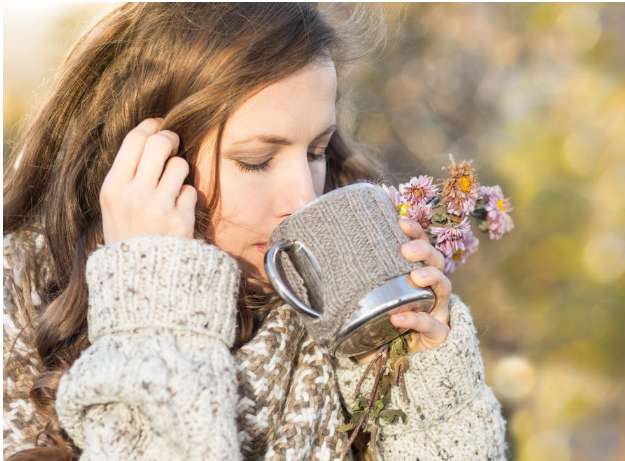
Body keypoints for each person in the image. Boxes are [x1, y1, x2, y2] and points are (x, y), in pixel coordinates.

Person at [3, 3, 509, 460]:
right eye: (256, 160)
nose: (303, 199)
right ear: (142, 162)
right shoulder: (16, 312)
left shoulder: (326, 314)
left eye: (316, 152)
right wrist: (152, 301)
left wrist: (428, 402)